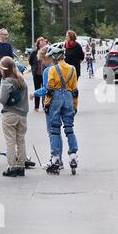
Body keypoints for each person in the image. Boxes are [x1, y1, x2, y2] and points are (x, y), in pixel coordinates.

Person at [44, 43, 79, 175]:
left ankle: (55, 158)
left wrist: (47, 104)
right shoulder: (72, 69)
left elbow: (50, 89)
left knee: (54, 129)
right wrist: (75, 105)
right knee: (69, 129)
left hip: (56, 99)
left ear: (55, 56)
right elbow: (75, 89)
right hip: (69, 98)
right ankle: (73, 155)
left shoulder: (53, 70)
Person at [0, 57, 29, 177]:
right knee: (21, 140)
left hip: (10, 114)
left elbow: (3, 99)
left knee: (10, 141)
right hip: (22, 115)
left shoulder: (7, 81)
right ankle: (21, 166)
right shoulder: (22, 81)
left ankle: (12, 167)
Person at [30, 45, 58, 168]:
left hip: (50, 103)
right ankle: (59, 158)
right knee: (58, 131)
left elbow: (46, 89)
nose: (41, 62)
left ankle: (54, 157)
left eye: (42, 59)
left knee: (51, 131)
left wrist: (34, 93)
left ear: (47, 58)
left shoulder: (48, 71)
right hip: (62, 102)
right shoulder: (60, 68)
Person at [0, 28, 14, 113]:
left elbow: (11, 58)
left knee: (8, 88)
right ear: (0, 35)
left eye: (6, 34)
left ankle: (7, 107)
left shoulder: (8, 46)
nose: (5, 36)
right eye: (4, 34)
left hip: (7, 69)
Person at [28, 37, 47, 112]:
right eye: (41, 42)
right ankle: (36, 106)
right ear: (38, 44)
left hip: (44, 74)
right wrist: (34, 68)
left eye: (43, 42)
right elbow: (30, 61)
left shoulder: (47, 52)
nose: (42, 43)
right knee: (37, 89)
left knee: (45, 89)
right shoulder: (34, 53)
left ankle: (44, 105)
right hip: (37, 74)